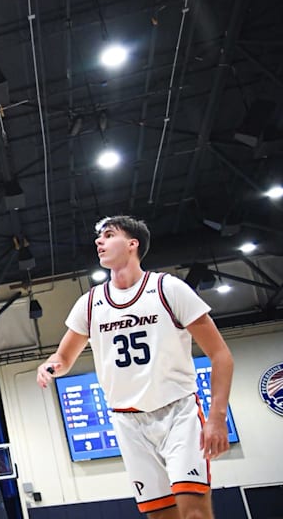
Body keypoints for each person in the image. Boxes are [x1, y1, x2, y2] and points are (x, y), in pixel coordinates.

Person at [37, 216, 234, 519]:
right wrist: (49, 367)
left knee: (194, 512)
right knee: (160, 516)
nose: (99, 241)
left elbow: (221, 355)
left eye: (108, 235)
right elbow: (62, 359)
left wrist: (217, 418)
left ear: (132, 244)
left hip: (178, 412)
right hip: (127, 422)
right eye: (99, 237)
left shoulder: (168, 288)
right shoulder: (90, 302)